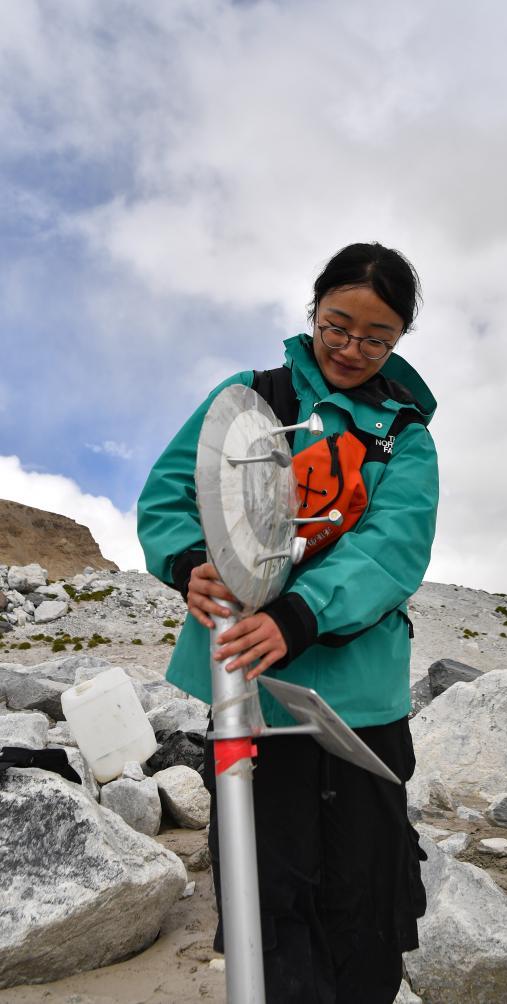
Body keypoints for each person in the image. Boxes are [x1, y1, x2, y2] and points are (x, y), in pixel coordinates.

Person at [137, 242, 439, 1004]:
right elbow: (169, 495)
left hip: (362, 708)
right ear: (313, 310)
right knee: (265, 898)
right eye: (337, 325)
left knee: (366, 904)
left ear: (399, 340)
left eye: (376, 338)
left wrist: (301, 614)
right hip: (251, 698)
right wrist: (188, 563)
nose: (351, 349)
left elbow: (391, 549)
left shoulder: (404, 436)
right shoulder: (249, 400)